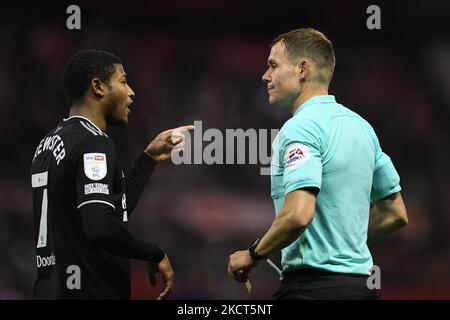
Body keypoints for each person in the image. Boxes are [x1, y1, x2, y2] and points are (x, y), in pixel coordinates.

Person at [228, 28, 408, 299]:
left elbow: (299, 214)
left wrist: (252, 255)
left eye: (273, 65)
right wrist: (342, 248)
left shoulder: (299, 128)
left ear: (303, 69)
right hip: (362, 290)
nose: (265, 75)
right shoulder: (363, 128)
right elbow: (395, 213)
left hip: (312, 291)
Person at [30, 49, 193, 299]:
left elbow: (110, 210)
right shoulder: (93, 142)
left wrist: (147, 160)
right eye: (124, 82)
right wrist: (154, 252)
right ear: (97, 87)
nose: (131, 92)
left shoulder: (46, 145)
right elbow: (100, 226)